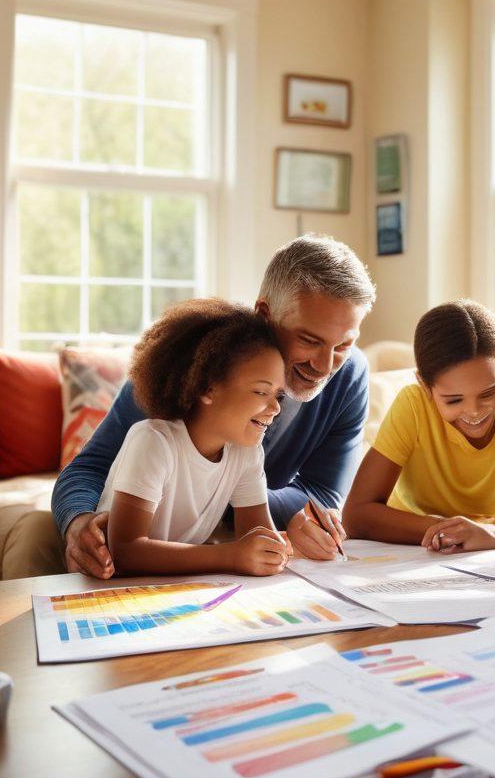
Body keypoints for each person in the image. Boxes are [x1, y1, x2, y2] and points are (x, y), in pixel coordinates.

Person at [50, 234, 376, 578]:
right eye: (309, 340)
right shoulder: (191, 362)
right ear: (265, 315)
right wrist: (78, 523)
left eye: (344, 344)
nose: (325, 366)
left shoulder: (349, 376)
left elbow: (323, 494)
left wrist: (237, 498)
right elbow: (89, 467)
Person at [343, 299, 495, 552]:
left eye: (489, 393)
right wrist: (446, 530)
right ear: (425, 386)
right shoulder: (413, 405)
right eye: (454, 400)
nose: (474, 411)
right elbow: (356, 515)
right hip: (416, 546)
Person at [100, 299, 292, 576]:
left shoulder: (246, 452)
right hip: (112, 589)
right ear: (207, 388)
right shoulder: (153, 442)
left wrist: (279, 548)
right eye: (261, 392)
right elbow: (126, 551)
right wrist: (230, 555)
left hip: (175, 589)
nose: (275, 408)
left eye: (279, 395)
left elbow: (258, 535)